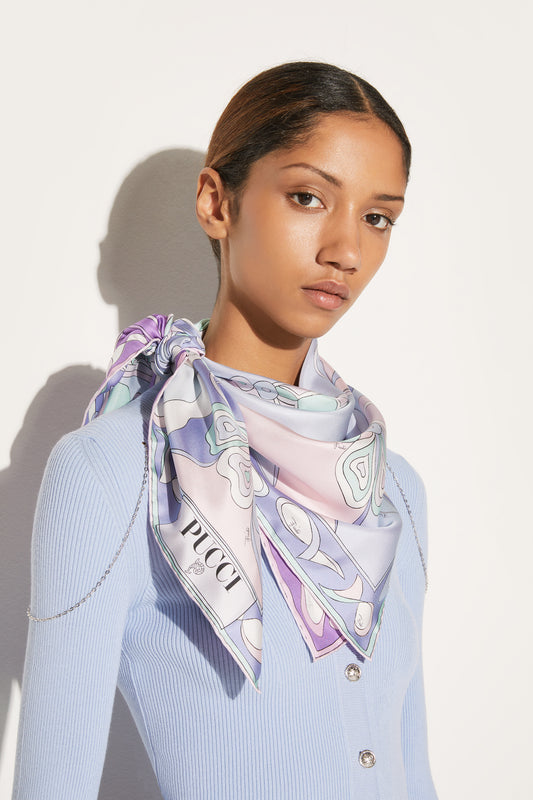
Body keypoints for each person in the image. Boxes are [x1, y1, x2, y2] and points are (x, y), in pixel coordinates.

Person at [13, 61, 438, 799]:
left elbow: (412, 770)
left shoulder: (393, 489)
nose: (346, 250)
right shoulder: (113, 472)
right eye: (308, 197)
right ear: (217, 202)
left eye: (377, 217)